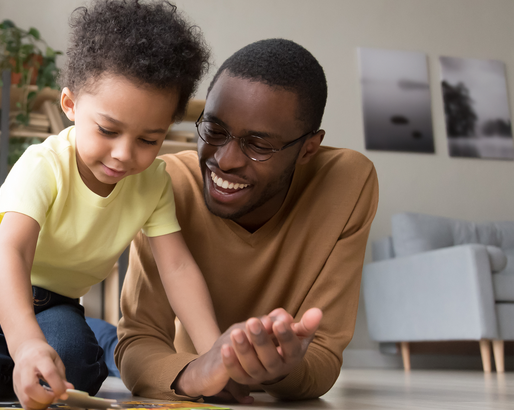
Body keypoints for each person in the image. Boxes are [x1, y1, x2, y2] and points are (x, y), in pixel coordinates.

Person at [0, 1, 215, 407]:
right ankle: (5, 345)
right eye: (108, 130)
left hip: (56, 300)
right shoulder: (45, 164)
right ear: (71, 105)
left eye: (149, 140)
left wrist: (215, 351)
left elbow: (177, 267)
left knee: (76, 372)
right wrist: (25, 348)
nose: (125, 154)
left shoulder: (154, 183)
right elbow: (14, 252)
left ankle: (41, 343)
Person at [111, 38, 379, 401]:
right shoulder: (167, 184)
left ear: (307, 150)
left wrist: (284, 368)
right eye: (215, 131)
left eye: (258, 145)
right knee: (88, 344)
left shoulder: (348, 183)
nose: (225, 159)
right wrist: (195, 374)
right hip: (183, 358)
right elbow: (137, 343)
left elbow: (324, 358)